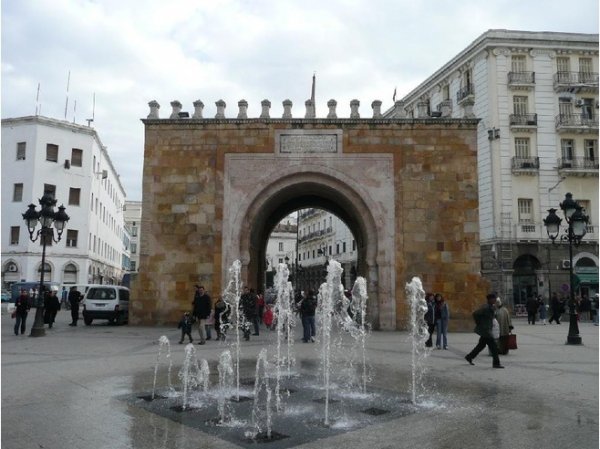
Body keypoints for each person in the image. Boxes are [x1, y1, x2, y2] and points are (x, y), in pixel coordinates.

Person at [465, 293, 504, 368]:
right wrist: (479, 323)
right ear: (490, 299)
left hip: (487, 330)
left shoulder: (491, 307)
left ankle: (469, 357)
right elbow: (475, 314)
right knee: (494, 347)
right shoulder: (485, 307)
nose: (495, 300)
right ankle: (496, 363)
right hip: (486, 331)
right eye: (494, 299)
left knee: (481, 346)